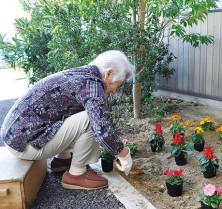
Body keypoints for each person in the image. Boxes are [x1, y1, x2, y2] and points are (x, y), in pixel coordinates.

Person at [0, 50, 134, 190]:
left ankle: (62, 160)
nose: (114, 91)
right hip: (24, 146)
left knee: (79, 110)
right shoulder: (92, 86)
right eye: (116, 85)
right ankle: (76, 175)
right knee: (90, 119)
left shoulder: (82, 74)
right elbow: (102, 130)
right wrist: (124, 154)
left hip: (16, 138)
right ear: (109, 73)